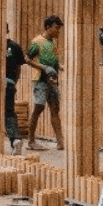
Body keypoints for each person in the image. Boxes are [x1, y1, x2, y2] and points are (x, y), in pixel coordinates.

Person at [25, 15, 64, 150]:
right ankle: (31, 141)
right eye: (57, 28)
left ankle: (60, 141)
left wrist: (59, 66)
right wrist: (44, 68)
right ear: (48, 27)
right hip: (40, 80)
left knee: (55, 110)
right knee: (38, 108)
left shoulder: (53, 42)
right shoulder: (36, 42)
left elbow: (54, 57)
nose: (58, 31)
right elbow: (27, 59)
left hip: (52, 81)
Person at [4, 24, 37, 155]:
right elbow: (19, 67)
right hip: (9, 83)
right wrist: (13, 82)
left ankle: (11, 141)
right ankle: (16, 140)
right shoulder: (14, 46)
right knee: (9, 112)